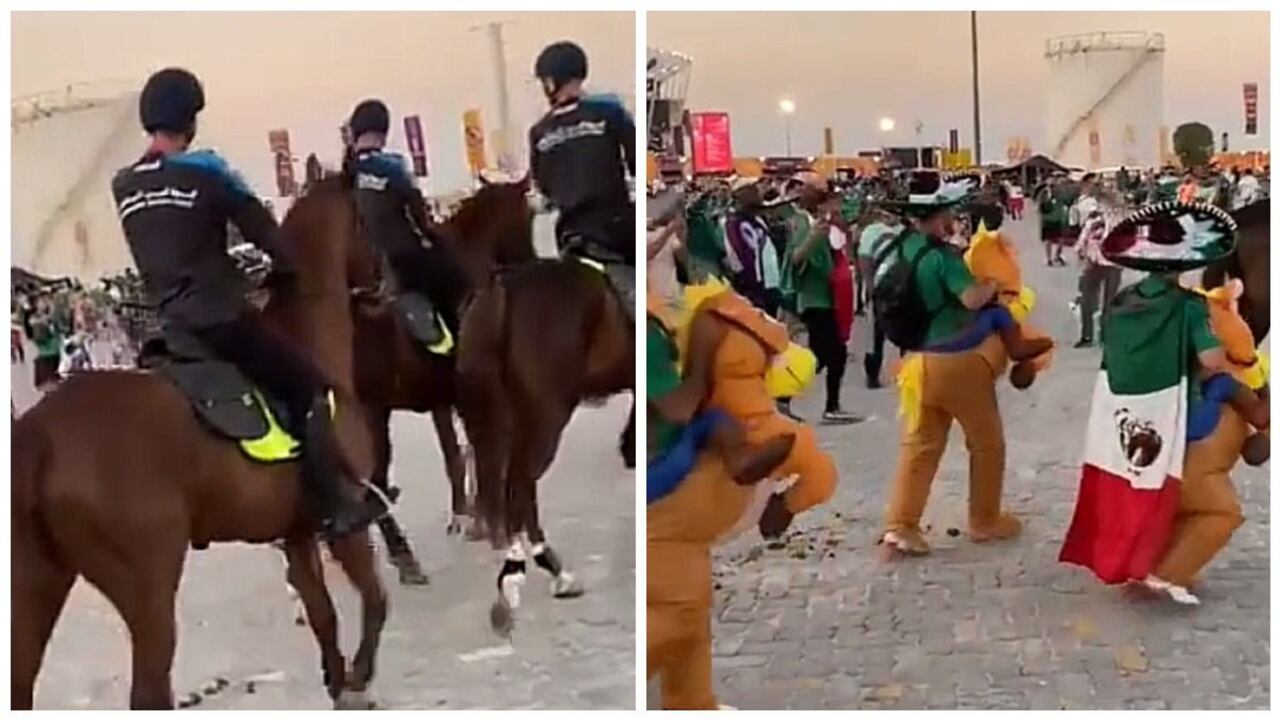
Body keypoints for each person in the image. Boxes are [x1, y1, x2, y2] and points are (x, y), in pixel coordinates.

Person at [110, 67, 382, 539]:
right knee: (308, 387)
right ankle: (333, 504)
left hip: (170, 327)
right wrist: (287, 268)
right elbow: (263, 230)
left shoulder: (123, 184)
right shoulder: (207, 170)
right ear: (190, 120)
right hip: (220, 319)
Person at [1060, 201, 1264, 606]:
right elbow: (1211, 361)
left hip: (1130, 415)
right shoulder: (1190, 306)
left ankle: (1151, 558)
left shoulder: (1121, 301)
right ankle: (1168, 572)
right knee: (1221, 510)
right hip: (1178, 412)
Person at [879, 175, 1025, 555]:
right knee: (987, 444)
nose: (954, 221)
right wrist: (992, 285)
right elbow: (971, 299)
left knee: (921, 446)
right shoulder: (942, 257)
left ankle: (901, 526)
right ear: (938, 215)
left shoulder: (902, 248)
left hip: (919, 361)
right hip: (958, 361)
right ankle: (984, 520)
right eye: (949, 214)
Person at [346, 98, 465, 348]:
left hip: (361, 265)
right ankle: (454, 344)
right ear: (383, 132)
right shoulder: (392, 166)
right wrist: (434, 238)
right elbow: (418, 214)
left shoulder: (345, 175)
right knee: (454, 278)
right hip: (402, 257)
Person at [529, 40, 636, 315]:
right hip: (616, 231)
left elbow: (543, 187)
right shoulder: (610, 113)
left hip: (568, 234)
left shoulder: (539, 131)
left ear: (551, 81)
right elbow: (637, 163)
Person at [780, 173, 860, 424]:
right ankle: (789, 397)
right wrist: (816, 237)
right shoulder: (801, 223)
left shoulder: (818, 221)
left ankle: (794, 399)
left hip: (827, 296)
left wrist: (838, 227)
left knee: (826, 355)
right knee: (826, 355)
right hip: (814, 298)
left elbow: (842, 250)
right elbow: (795, 258)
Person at [1073, 195, 1124, 347]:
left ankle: (1105, 335)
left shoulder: (1120, 222)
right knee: (1087, 301)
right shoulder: (1094, 221)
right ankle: (1087, 336)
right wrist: (1081, 252)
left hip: (1112, 264)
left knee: (1109, 302)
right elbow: (1083, 238)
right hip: (1094, 263)